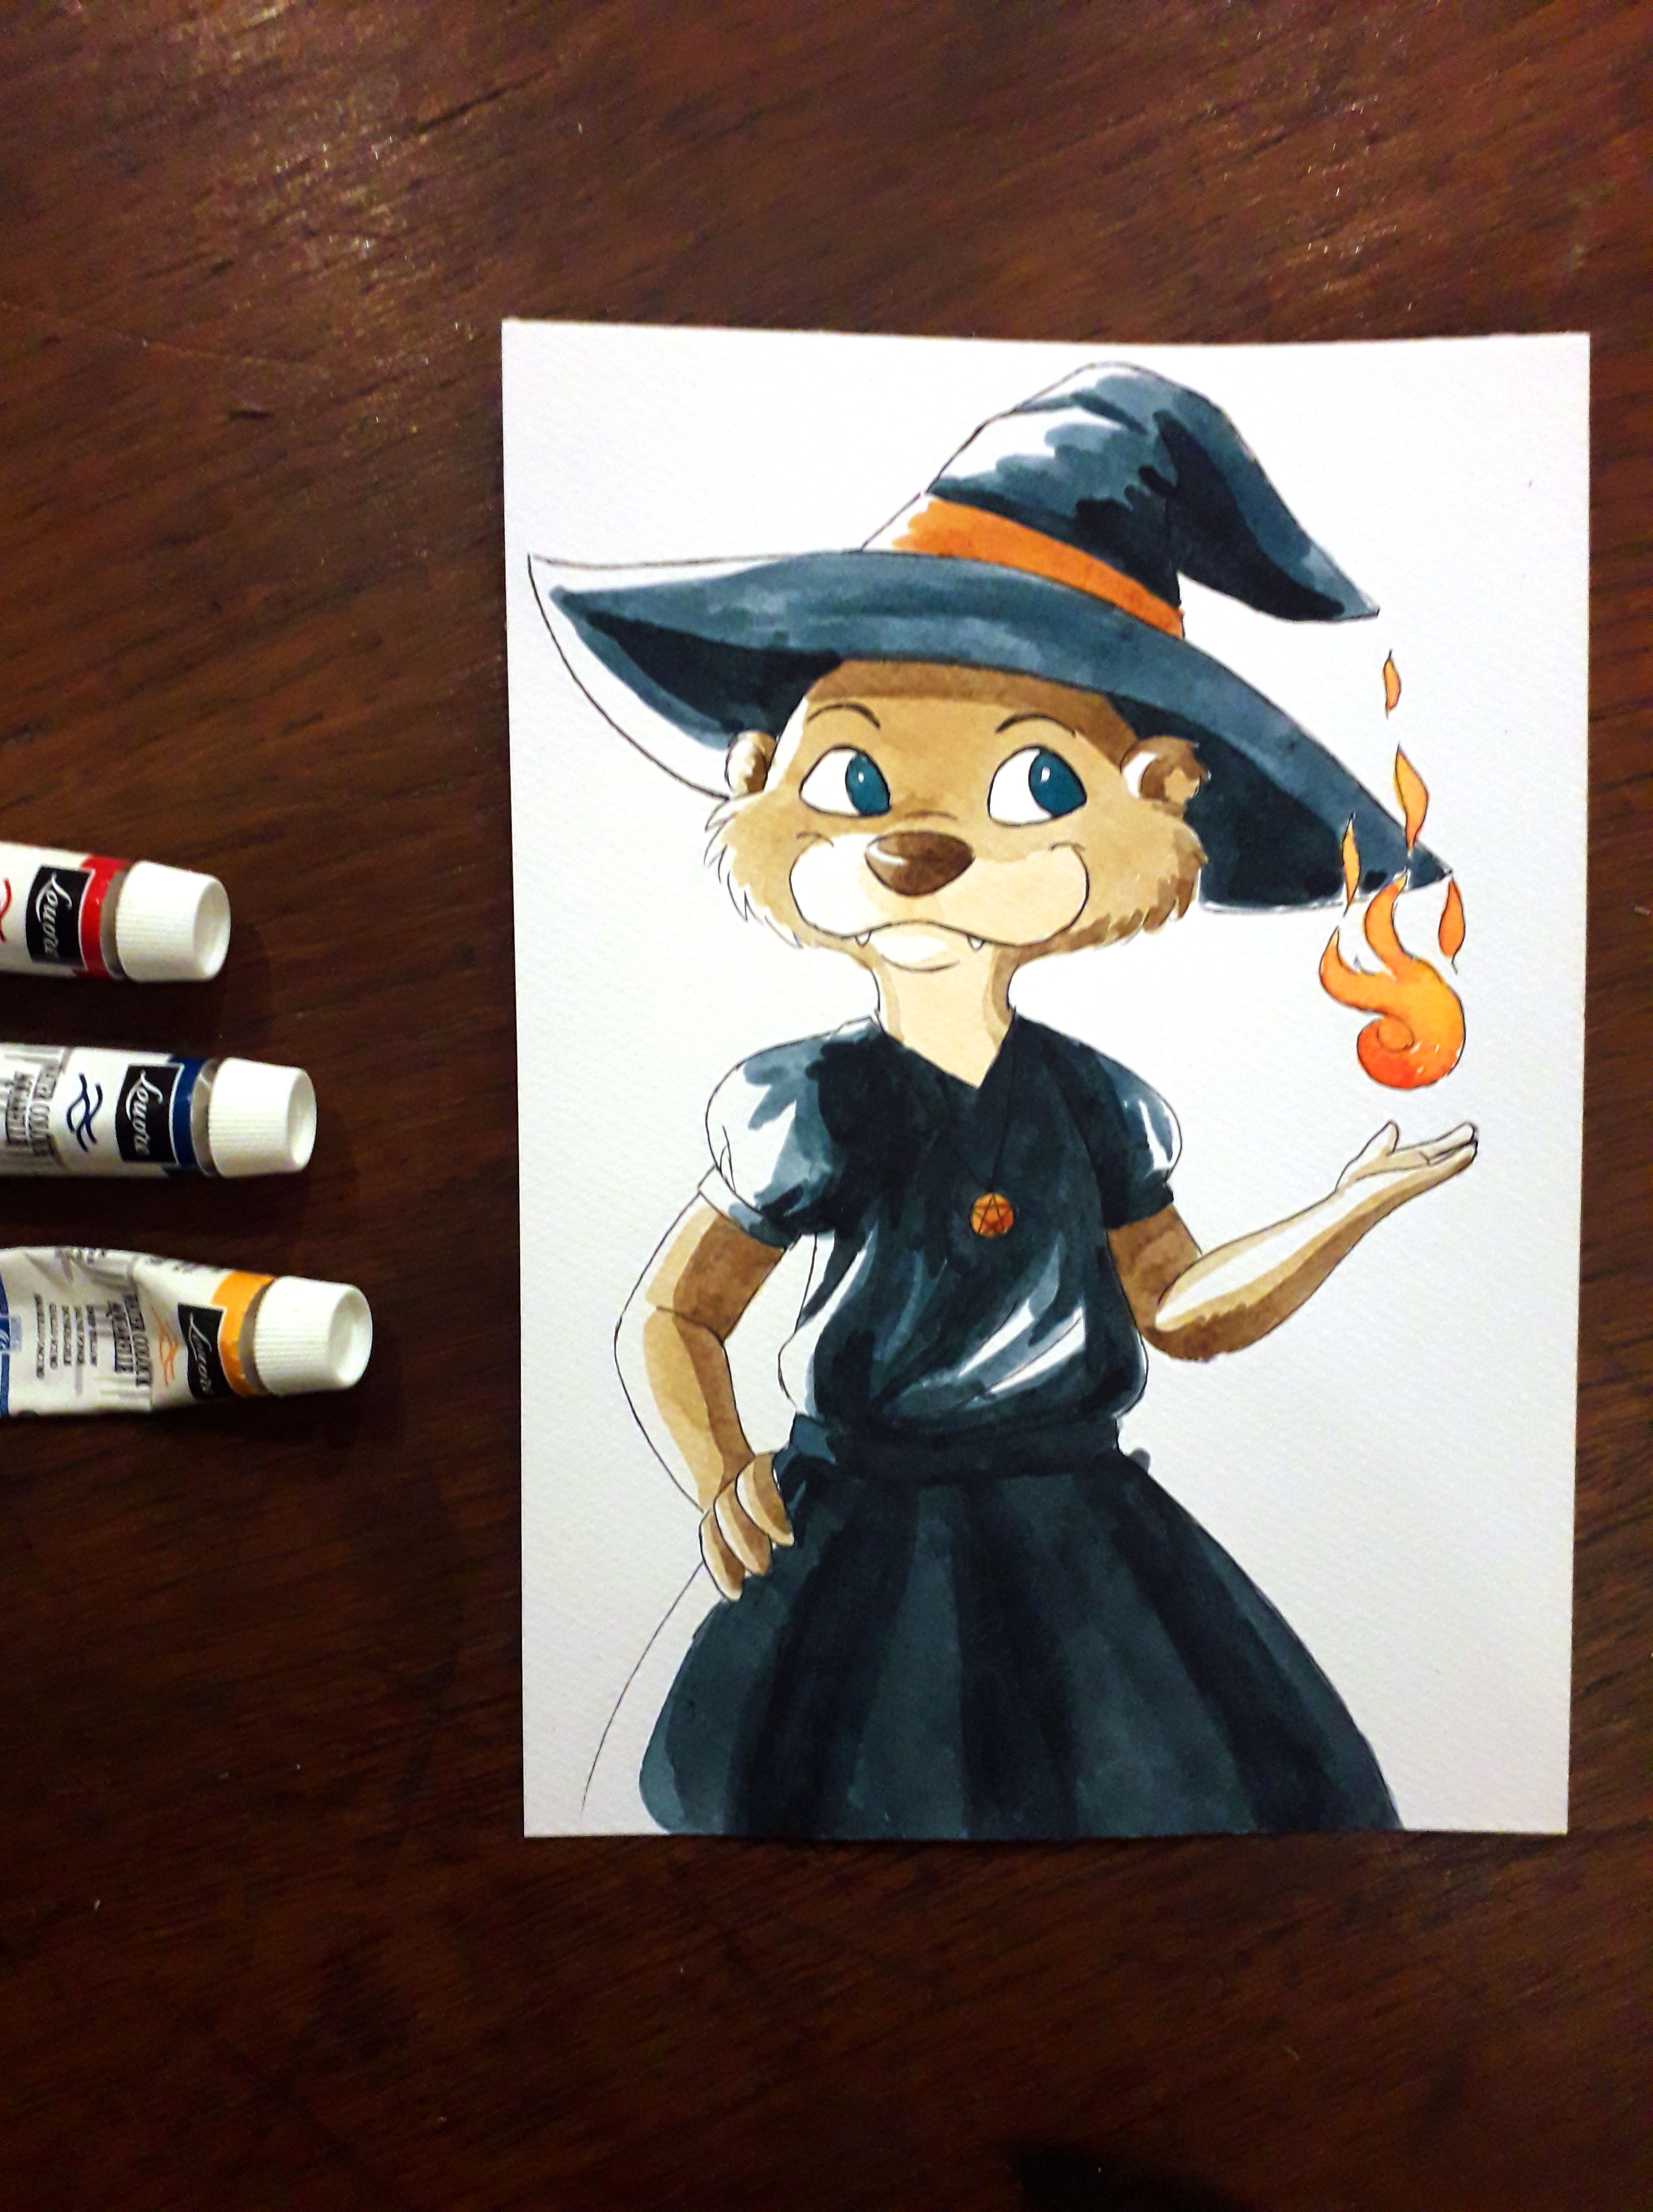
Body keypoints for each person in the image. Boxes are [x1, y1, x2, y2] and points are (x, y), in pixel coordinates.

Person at [532, 364, 1475, 1839]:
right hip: (857, 1536)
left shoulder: (1095, 1105)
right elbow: (676, 1312)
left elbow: (1178, 1311)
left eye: (1032, 787)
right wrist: (716, 1469)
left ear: (1159, 799)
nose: (921, 846)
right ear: (765, 776)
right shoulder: (815, 1105)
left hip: (1082, 1539)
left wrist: (1341, 1215)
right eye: (857, 780)